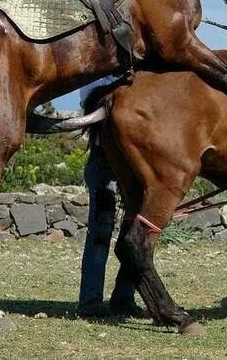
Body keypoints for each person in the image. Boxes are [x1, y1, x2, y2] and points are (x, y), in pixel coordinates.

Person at [77, 76, 141, 318]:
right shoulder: (97, 74)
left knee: (136, 232)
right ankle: (90, 301)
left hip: (134, 162)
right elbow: (95, 98)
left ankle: (124, 298)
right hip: (103, 160)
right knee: (100, 232)